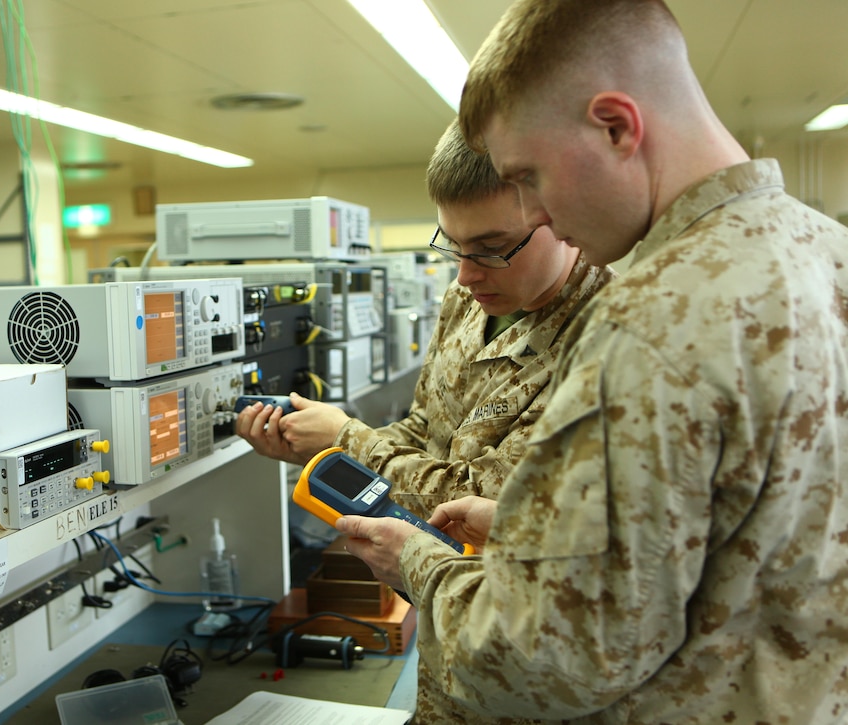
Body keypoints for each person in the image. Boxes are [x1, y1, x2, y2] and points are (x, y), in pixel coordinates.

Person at [337, 1, 848, 723]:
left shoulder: (652, 318)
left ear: (616, 126)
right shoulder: (827, 252)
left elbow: (550, 659)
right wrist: (527, 531)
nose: (540, 215)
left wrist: (416, 562)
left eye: (531, 176)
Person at [237, 121, 614, 722]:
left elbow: (490, 503)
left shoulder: (609, 340)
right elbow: (422, 428)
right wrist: (318, 454)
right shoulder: (469, 298)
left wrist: (345, 437)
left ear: (563, 217)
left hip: (525, 656)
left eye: (491, 247)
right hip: (441, 637)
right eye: (454, 245)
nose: (466, 274)